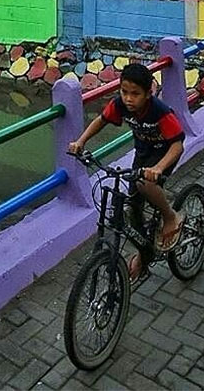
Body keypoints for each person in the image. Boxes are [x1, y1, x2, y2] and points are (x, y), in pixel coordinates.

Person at [67, 63, 185, 282]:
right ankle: (145, 252)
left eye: (136, 94)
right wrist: (80, 142)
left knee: (144, 184)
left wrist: (158, 168)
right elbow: (101, 121)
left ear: (149, 93)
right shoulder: (120, 105)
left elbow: (178, 144)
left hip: (164, 154)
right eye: (124, 92)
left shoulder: (160, 112)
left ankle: (171, 216)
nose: (129, 99)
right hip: (142, 153)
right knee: (134, 207)